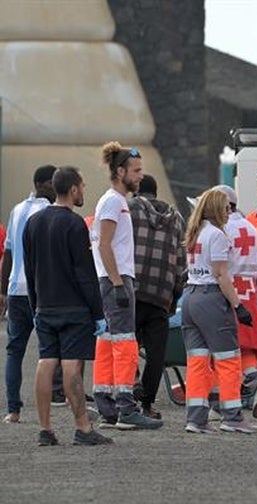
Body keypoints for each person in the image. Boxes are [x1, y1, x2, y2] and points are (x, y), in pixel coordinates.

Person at [23, 166, 112, 445]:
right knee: (72, 367)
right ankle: (83, 428)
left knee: (45, 362)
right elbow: (84, 274)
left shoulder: (33, 222)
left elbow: (29, 269)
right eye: (82, 186)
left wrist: (35, 304)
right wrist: (98, 313)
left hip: (45, 306)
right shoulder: (75, 225)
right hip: (74, 308)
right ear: (73, 189)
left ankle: (45, 429)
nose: (83, 190)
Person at [90, 141, 162, 430]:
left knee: (109, 341)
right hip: (115, 279)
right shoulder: (113, 202)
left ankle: (106, 403)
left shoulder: (114, 201)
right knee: (124, 343)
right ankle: (125, 407)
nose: (140, 175)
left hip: (112, 279)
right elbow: (104, 245)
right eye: (136, 170)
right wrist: (119, 284)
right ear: (120, 171)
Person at [181, 188, 256, 434]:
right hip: (211, 299)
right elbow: (221, 275)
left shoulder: (195, 233)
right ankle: (232, 416)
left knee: (197, 362)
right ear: (216, 209)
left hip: (190, 298)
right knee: (228, 359)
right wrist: (238, 306)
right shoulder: (217, 236)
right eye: (226, 208)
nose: (229, 212)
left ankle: (196, 418)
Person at [1, 165, 67, 423]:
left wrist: (1, 290)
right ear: (42, 185)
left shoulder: (16, 210)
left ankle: (13, 410)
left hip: (15, 291)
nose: (57, 188)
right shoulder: (49, 212)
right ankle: (54, 398)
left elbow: (7, 255)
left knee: (14, 351)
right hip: (41, 291)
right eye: (54, 183)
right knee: (49, 351)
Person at [128, 174, 186, 420]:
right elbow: (181, 263)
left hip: (131, 290)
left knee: (125, 343)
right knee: (156, 353)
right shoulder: (177, 219)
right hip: (161, 294)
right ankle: (148, 405)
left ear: (136, 192)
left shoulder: (129, 210)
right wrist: (174, 297)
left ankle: (132, 382)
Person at [211, 184, 257, 418]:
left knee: (220, 351)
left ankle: (220, 403)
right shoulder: (250, 227)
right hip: (250, 293)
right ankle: (255, 379)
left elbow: (218, 267)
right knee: (245, 347)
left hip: (229, 293)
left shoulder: (221, 229)